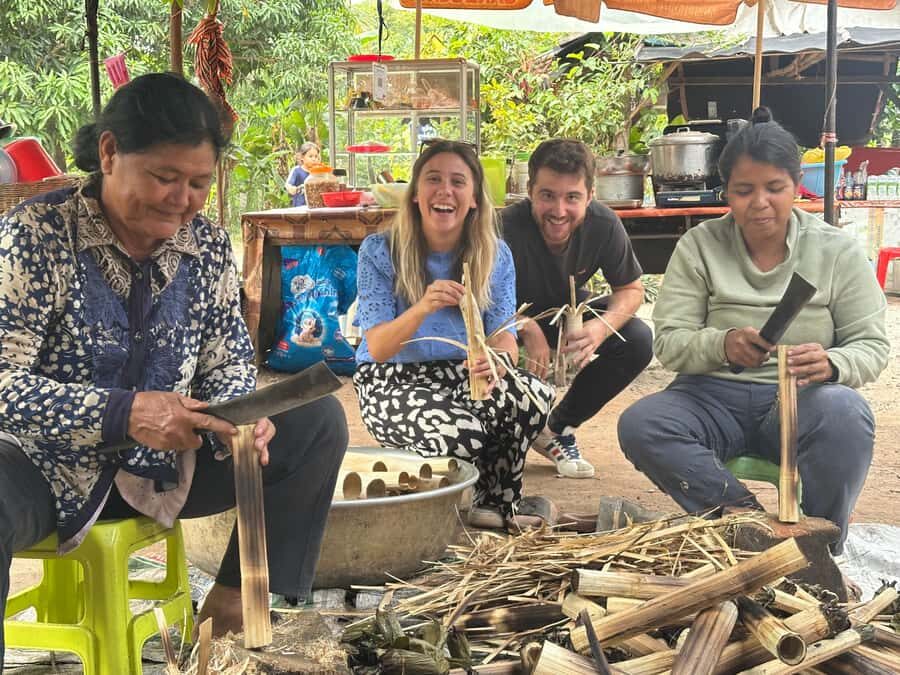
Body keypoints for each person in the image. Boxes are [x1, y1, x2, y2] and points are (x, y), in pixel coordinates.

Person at [0, 73, 348, 662]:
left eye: (198, 183)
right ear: (109, 153)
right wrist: (125, 412)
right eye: (164, 177)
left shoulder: (206, 246)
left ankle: (234, 607)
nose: (181, 199)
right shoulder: (36, 235)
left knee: (315, 421)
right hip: (40, 471)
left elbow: (227, 358)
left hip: (164, 471)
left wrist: (243, 414)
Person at [617, 107, 889, 556]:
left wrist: (832, 362)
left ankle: (820, 546)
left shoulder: (836, 251)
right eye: (744, 190)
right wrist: (722, 344)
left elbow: (873, 345)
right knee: (643, 423)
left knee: (847, 414)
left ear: (796, 184)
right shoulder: (699, 246)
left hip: (802, 399)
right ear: (726, 191)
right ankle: (747, 526)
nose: (759, 202)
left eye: (775, 188)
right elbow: (669, 342)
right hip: (708, 396)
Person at [352, 139, 556, 529]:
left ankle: (496, 506)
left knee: (531, 398)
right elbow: (377, 348)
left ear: (475, 198)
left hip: (462, 374)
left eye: (458, 182)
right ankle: (439, 515)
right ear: (415, 195)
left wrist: (495, 363)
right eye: (433, 180)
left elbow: (504, 339)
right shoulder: (380, 251)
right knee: (462, 433)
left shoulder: (494, 254)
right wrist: (422, 307)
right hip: (390, 380)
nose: (445, 191)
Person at [500, 139, 653, 479]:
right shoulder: (503, 227)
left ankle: (555, 427)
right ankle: (498, 433)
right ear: (530, 191)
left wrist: (598, 331)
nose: (559, 210)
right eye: (547, 195)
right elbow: (475, 299)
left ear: (590, 195)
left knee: (637, 338)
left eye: (572, 197)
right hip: (503, 320)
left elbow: (630, 289)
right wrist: (523, 326)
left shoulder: (604, 224)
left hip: (568, 313)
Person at [285, 141, 321, 207]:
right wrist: (292, 189)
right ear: (302, 157)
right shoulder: (296, 170)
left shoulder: (318, 172)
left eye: (316, 156)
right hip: (299, 209)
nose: (314, 159)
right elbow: (288, 185)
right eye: (310, 156)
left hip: (315, 207)